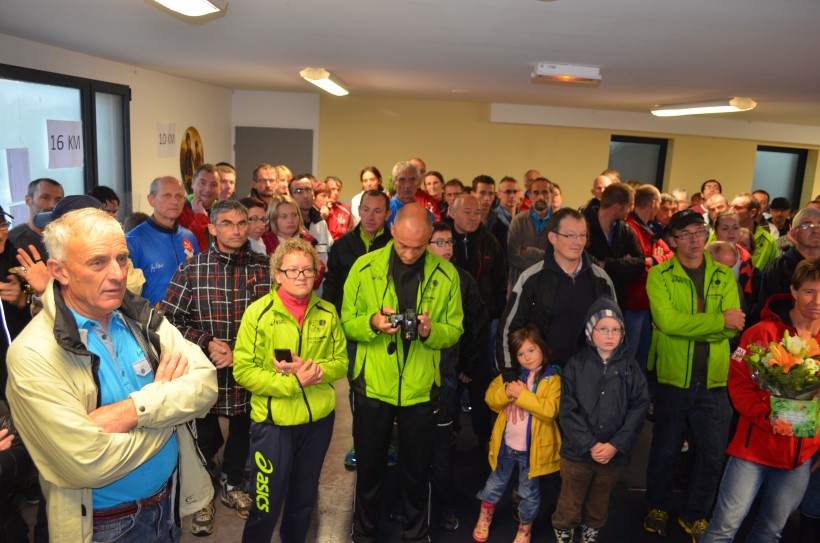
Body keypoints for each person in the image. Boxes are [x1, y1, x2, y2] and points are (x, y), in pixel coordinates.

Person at [6, 207, 217, 542]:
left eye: (122, 258)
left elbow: (205, 382)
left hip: (168, 503)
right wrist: (169, 414)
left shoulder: (139, 318)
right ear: (59, 271)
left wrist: (135, 410)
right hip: (105, 526)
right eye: (97, 262)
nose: (118, 273)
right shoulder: (33, 352)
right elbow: (86, 463)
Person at [342, 204, 464, 543]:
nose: (410, 253)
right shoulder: (364, 268)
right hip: (372, 385)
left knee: (416, 471)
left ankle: (415, 534)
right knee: (369, 468)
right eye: (403, 245)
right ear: (392, 230)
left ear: (430, 238)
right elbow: (346, 323)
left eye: (419, 246)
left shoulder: (446, 275)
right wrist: (373, 323)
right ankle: (364, 533)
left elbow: (454, 330)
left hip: (421, 389)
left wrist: (430, 331)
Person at [161, 200, 272, 536]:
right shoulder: (192, 269)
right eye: (227, 223)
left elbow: (277, 321)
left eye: (243, 223)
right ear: (212, 228)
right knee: (203, 436)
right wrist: (207, 342)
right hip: (203, 373)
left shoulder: (266, 268)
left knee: (243, 430)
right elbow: (169, 319)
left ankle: (234, 483)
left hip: (248, 370)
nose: (237, 230)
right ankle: (202, 496)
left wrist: (240, 352)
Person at [233, 238, 347, 543]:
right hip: (274, 427)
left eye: (308, 270)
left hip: (317, 423)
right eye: (293, 270)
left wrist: (320, 371)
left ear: (316, 273)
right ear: (278, 274)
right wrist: (293, 382)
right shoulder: (258, 315)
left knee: (303, 503)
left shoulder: (327, 312)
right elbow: (243, 370)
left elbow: (342, 362)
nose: (301, 277)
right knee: (265, 506)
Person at [643, 209, 744, 541]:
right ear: (672, 240)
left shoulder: (723, 275)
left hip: (714, 380)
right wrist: (717, 322)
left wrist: (695, 327)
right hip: (672, 377)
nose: (694, 240)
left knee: (712, 453)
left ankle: (695, 513)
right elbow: (668, 323)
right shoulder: (659, 275)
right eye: (685, 234)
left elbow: (734, 330)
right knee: (666, 449)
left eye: (699, 232)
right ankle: (657, 507)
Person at [702, 259, 820, 543]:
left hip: (799, 457)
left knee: (770, 532)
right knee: (723, 528)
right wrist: (765, 416)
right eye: (809, 291)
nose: (816, 301)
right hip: (753, 450)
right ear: (793, 291)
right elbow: (739, 384)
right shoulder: (762, 333)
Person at [552, 297, 649, 543]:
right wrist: (590, 444)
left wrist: (615, 445)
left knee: (600, 497)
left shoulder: (631, 368)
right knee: (570, 496)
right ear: (589, 331)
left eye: (616, 329)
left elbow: (639, 408)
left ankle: (591, 529)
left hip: (613, 454)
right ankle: (564, 527)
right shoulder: (576, 365)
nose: (610, 335)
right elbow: (567, 411)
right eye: (603, 329)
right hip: (577, 453)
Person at [322, 189, 393, 470]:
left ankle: (386, 442)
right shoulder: (342, 246)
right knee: (357, 387)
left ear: (388, 215)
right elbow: (332, 286)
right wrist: (329, 319)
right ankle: (359, 440)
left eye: (378, 211)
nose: (371, 216)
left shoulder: (396, 246)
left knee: (385, 387)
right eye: (366, 209)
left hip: (385, 328)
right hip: (352, 328)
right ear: (358, 211)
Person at [472, 325, 561, 543]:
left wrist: (521, 396)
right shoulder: (511, 376)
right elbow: (490, 399)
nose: (527, 357)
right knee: (494, 484)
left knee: (529, 492)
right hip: (506, 446)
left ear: (543, 348)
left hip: (532, 452)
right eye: (520, 353)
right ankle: (485, 516)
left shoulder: (553, 379)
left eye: (531, 350)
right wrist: (507, 394)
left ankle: (525, 528)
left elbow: (550, 411)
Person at [427, 221, 488, 531]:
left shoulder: (463, 280)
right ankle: (406, 501)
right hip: (413, 376)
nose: (447, 248)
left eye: (449, 242)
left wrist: (468, 365)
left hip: (448, 372)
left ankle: (445, 501)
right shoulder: (412, 277)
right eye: (439, 242)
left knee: (442, 444)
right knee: (407, 443)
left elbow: (476, 326)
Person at [499, 208, 615, 371]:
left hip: (588, 372)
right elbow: (509, 328)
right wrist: (509, 372)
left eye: (582, 235)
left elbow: (615, 328)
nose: (578, 242)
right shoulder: (531, 278)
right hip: (543, 374)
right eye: (570, 235)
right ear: (552, 237)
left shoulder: (601, 279)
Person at [450, 193, 507, 447]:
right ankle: (450, 428)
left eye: (477, 213)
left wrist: (493, 309)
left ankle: (484, 434)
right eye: (467, 212)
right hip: (448, 321)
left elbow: (500, 281)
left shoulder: (490, 242)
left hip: (482, 322)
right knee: (450, 379)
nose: (473, 217)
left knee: (480, 379)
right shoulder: (441, 239)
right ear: (453, 212)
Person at [126, 176, 199, 305]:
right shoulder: (134, 240)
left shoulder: (189, 237)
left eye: (179, 196)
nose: (174, 201)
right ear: (151, 200)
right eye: (167, 196)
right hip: (153, 321)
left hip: (189, 320)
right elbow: (128, 294)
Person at [625, 185, 673, 372]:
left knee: (644, 355)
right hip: (634, 301)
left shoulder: (648, 229)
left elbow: (670, 256)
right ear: (653, 203)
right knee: (630, 354)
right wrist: (655, 260)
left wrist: (654, 260)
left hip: (646, 301)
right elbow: (635, 268)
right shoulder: (630, 228)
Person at [582, 183, 644, 314]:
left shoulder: (625, 230)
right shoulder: (583, 224)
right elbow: (582, 260)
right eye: (629, 205)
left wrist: (607, 264)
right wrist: (622, 264)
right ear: (616, 207)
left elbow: (639, 263)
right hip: (586, 301)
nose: (631, 210)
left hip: (616, 303)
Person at [755, 207, 820, 320]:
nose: (816, 230)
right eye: (807, 226)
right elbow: (767, 309)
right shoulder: (779, 267)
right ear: (793, 233)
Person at [506, 177, 553, 291]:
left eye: (545, 192)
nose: (540, 197)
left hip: (549, 289)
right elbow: (512, 256)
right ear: (530, 196)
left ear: (551, 194)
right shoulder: (518, 220)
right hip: (519, 289)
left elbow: (557, 257)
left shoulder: (559, 222)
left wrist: (528, 251)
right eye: (536, 193)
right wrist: (544, 259)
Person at [9, 178, 64, 260]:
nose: (53, 205)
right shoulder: (14, 239)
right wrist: (27, 271)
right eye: (45, 198)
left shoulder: (66, 235)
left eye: (58, 200)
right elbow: (10, 270)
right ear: (28, 200)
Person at [712, 212, 756, 314]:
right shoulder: (704, 257)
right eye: (725, 228)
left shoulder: (747, 260)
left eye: (735, 228)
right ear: (716, 232)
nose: (731, 232)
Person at [289, 174, 334, 265]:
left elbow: (331, 252)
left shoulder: (320, 222)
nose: (305, 195)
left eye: (308, 190)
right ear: (290, 196)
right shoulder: (288, 224)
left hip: (323, 278)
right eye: (299, 191)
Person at [729, 192, 779, 271]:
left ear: (752, 212)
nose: (731, 211)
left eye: (737, 208)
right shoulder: (719, 232)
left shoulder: (768, 241)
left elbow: (774, 273)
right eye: (730, 207)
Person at [179, 163, 221, 251]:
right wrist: (200, 218)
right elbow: (183, 247)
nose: (208, 189)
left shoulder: (224, 212)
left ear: (219, 188)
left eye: (213, 185)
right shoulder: (179, 211)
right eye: (202, 183)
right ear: (193, 183)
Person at [386, 160, 438, 228]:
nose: (407, 185)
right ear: (393, 183)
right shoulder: (385, 211)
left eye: (412, 180)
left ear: (419, 183)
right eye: (402, 180)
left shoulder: (427, 216)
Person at [324, 176, 353, 240]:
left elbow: (351, 231)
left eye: (338, 190)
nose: (336, 193)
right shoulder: (319, 207)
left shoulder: (346, 209)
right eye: (333, 189)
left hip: (342, 246)